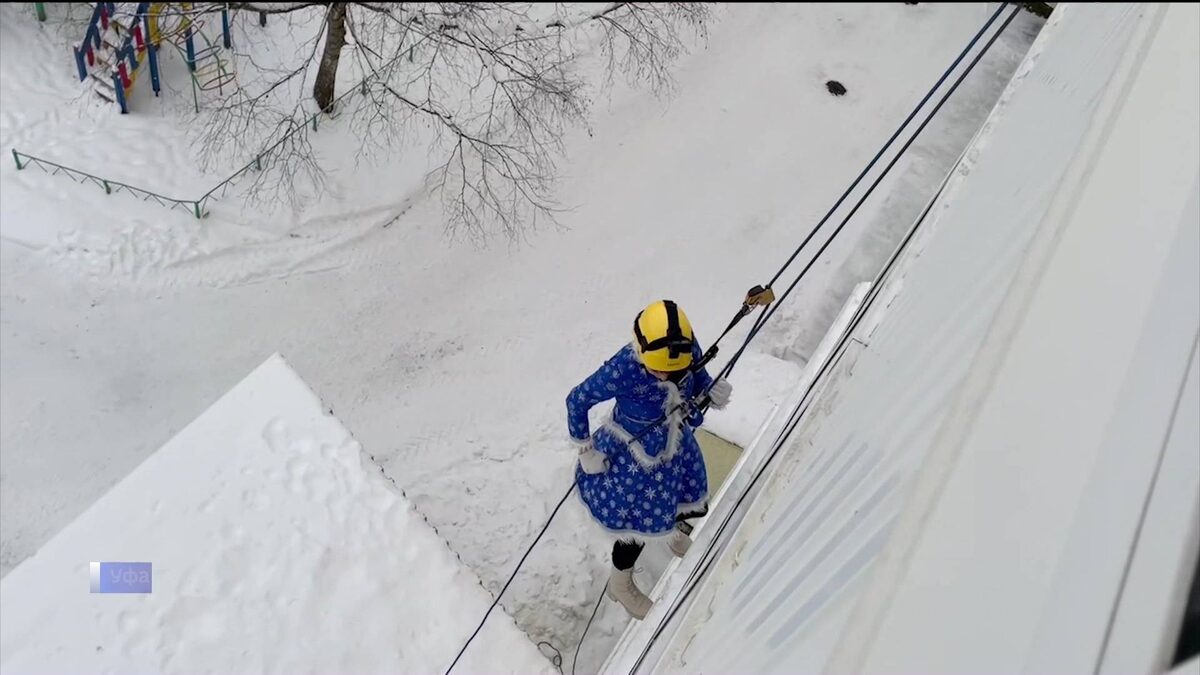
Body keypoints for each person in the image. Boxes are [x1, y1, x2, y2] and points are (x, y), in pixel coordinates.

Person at [566, 300, 732, 619]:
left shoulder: (682, 347)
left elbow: (696, 376)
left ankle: (669, 531)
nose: (664, 374)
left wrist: (711, 389)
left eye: (671, 369)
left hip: (675, 442)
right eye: (656, 368)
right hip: (634, 456)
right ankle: (620, 584)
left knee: (695, 503)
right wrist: (586, 451)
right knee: (635, 528)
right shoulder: (623, 367)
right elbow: (577, 399)